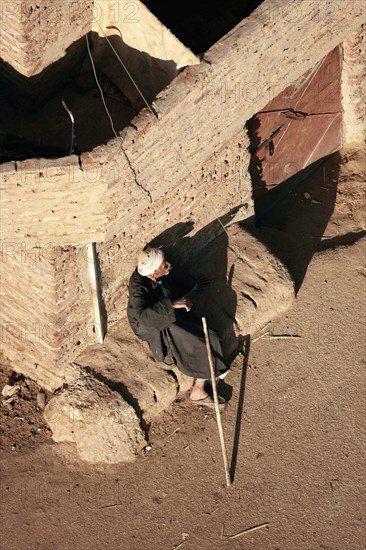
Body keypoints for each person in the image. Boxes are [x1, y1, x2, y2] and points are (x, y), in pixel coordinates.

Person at [127, 247, 229, 407]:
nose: (169, 264)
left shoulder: (157, 273)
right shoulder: (138, 288)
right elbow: (143, 319)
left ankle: (206, 377)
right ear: (154, 274)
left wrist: (188, 289)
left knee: (210, 335)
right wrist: (171, 305)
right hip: (155, 325)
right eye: (164, 266)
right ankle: (198, 391)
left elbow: (169, 284)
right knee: (199, 342)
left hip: (167, 313)